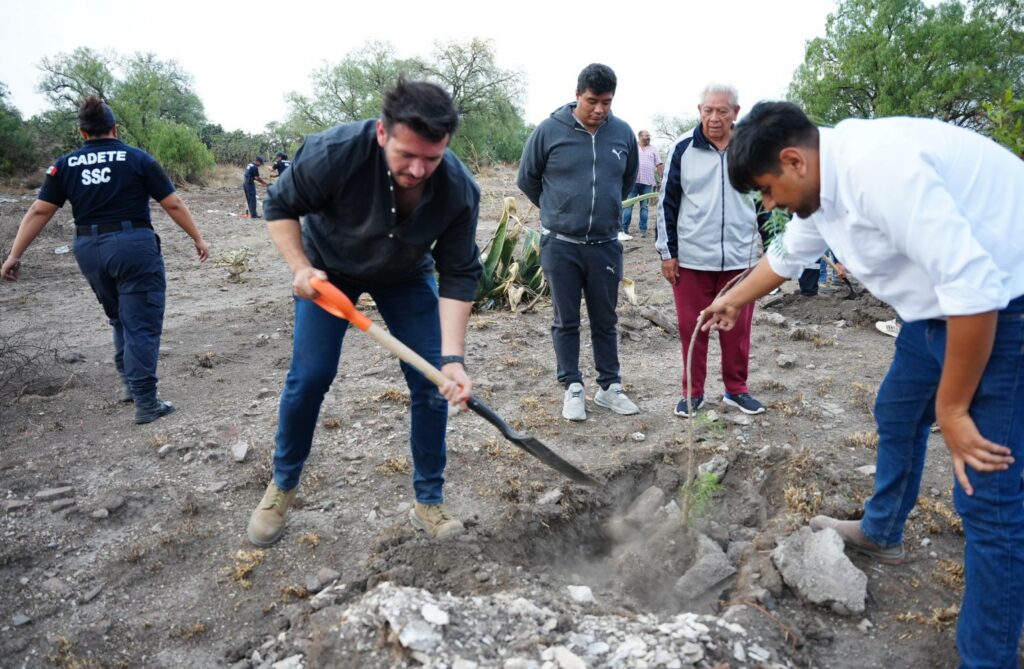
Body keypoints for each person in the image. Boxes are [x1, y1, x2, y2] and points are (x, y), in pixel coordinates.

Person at [705, 100, 1024, 669]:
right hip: (935, 314)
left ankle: (988, 659)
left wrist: (953, 410)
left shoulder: (882, 171)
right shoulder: (822, 189)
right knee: (898, 411)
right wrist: (731, 298)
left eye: (768, 190)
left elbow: (976, 288)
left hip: (1005, 309)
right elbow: (785, 258)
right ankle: (883, 532)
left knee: (988, 497)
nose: (770, 205)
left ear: (793, 160)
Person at [247, 79, 482, 547]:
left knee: (434, 380)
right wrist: (300, 268)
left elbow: (458, 273)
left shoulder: (458, 188)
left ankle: (429, 500)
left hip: (406, 274)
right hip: (327, 273)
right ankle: (283, 485)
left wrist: (453, 358)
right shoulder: (334, 153)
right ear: (382, 133)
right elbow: (279, 204)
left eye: (431, 158)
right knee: (310, 376)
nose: (418, 170)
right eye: (406, 155)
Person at [1, 96, 209, 424]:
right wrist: (197, 238)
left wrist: (14, 255)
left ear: (82, 133)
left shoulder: (64, 165)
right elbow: (173, 204)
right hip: (132, 246)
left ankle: (129, 384)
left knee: (119, 319)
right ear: (115, 128)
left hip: (89, 248)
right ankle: (146, 402)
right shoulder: (137, 158)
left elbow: (40, 210)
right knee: (140, 322)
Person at [517, 63, 640, 422]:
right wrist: (558, 210)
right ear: (577, 95)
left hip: (604, 244)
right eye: (592, 101)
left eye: (606, 102)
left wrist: (603, 210)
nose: (599, 109)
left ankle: (609, 387)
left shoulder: (622, 134)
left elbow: (626, 182)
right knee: (565, 319)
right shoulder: (548, 131)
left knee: (606, 318)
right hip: (561, 245)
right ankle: (572, 386)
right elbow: (528, 179)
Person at [655, 84, 765, 418]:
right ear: (699, 110)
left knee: (738, 331)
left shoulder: (751, 149)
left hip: (740, 260)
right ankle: (693, 393)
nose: (714, 118)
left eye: (722, 111)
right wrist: (667, 253)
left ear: (736, 112)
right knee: (693, 327)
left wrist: (770, 251)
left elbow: (766, 203)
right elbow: (667, 203)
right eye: (708, 110)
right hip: (691, 259)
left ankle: (736, 390)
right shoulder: (683, 149)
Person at [620, 129, 663, 239]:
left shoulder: (653, 149)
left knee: (644, 207)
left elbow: (658, 164)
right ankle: (624, 229)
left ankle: (643, 230)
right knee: (628, 205)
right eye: (646, 135)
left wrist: (662, 177)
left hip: (648, 182)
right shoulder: (633, 148)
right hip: (632, 182)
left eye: (649, 135)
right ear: (640, 136)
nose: (649, 137)